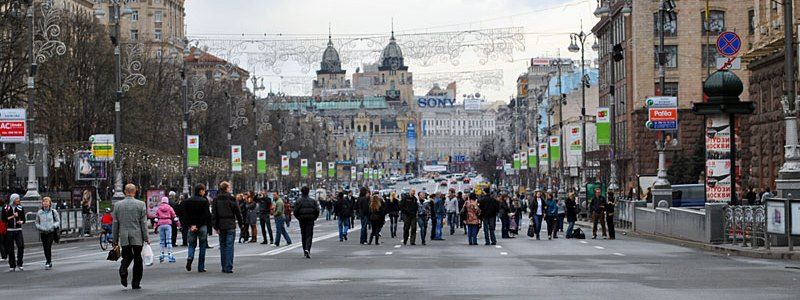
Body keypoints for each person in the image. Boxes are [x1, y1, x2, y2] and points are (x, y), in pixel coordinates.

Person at [113, 184, 149, 289]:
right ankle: (136, 282)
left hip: (124, 236)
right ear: (135, 191)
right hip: (137, 235)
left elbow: (115, 223)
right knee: (138, 258)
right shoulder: (141, 204)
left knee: (127, 256)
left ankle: (123, 269)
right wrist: (146, 238)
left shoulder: (118, 205)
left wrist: (114, 239)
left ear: (124, 191)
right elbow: (143, 223)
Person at [212, 181, 242, 273]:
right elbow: (237, 211)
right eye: (229, 187)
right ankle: (228, 266)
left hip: (221, 225)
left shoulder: (216, 199)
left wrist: (215, 226)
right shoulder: (231, 198)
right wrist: (241, 223)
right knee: (229, 246)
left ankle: (223, 266)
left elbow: (214, 214)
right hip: (230, 224)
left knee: (223, 246)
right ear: (226, 188)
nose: (230, 188)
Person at [182, 183, 211, 272]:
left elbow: (185, 215)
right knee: (202, 246)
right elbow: (206, 215)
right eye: (204, 190)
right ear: (200, 191)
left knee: (191, 244)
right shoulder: (204, 201)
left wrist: (191, 225)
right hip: (202, 226)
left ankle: (190, 257)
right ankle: (201, 267)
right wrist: (199, 225)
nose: (204, 192)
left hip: (191, 227)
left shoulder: (187, 201)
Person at [294, 186, 320, 258]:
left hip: (302, 219)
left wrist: (298, 218)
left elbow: (295, 211)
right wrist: (314, 217)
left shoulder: (299, 201)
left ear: (301, 192)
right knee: (309, 235)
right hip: (310, 219)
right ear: (308, 192)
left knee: (303, 234)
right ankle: (308, 249)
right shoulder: (312, 201)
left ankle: (304, 250)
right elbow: (317, 210)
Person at [35, 197, 60, 270]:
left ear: (49, 203)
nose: (45, 203)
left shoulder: (53, 211)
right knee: (45, 247)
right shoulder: (39, 212)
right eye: (44, 202)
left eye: (47, 202)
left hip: (51, 231)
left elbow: (58, 221)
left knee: (48, 246)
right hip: (43, 232)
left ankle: (48, 262)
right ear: (42, 203)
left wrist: (53, 226)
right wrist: (39, 227)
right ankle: (48, 260)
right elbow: (36, 222)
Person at [3, 194, 25, 271]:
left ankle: (19, 262)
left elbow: (23, 219)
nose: (18, 200)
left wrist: (21, 221)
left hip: (18, 230)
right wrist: (13, 216)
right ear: (13, 200)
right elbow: (4, 219)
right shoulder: (6, 208)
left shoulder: (20, 208)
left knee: (21, 246)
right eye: (16, 199)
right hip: (9, 230)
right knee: (10, 248)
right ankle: (12, 265)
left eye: (18, 199)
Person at [155, 196, 177, 263]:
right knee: (169, 241)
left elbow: (156, 218)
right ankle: (170, 255)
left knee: (162, 241)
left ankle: (161, 255)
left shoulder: (159, 208)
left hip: (161, 224)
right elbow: (174, 217)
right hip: (168, 224)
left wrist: (155, 227)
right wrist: (178, 225)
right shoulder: (170, 208)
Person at [0, 198, 7, 263]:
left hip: (1, 226)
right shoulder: (4, 208)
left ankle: (4, 256)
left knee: (1, 243)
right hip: (4, 226)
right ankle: (5, 255)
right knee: (4, 241)